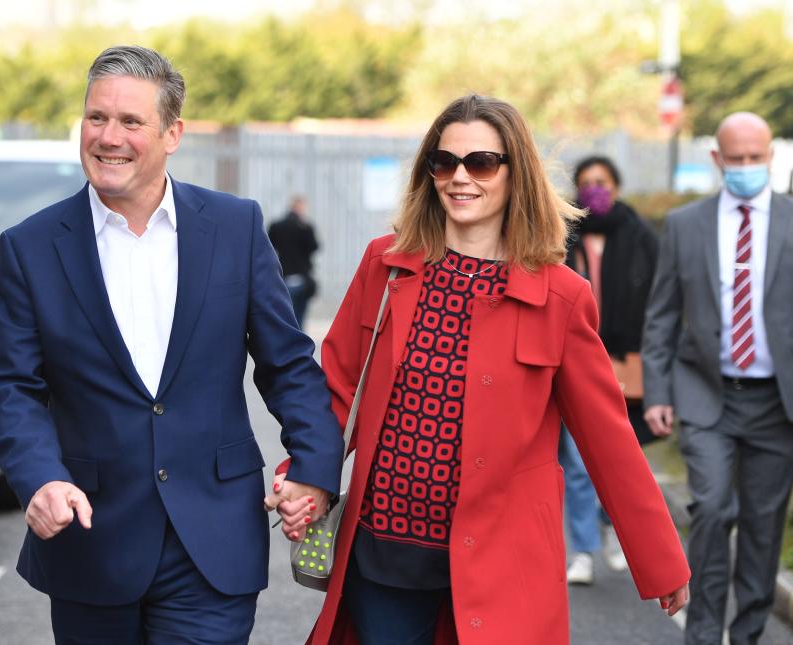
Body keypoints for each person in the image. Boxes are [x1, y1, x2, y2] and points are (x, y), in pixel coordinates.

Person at [266, 94, 689, 645]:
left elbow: (609, 441)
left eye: (481, 163)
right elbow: (337, 390)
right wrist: (304, 477)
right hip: (385, 551)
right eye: (444, 162)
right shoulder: (385, 265)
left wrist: (660, 560)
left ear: (517, 174)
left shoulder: (561, 295)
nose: (459, 177)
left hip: (503, 561)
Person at [0, 45, 343, 645]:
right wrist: (39, 477)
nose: (108, 136)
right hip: (91, 540)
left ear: (173, 133)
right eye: (96, 117)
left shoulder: (236, 226)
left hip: (214, 540)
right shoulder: (30, 246)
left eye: (130, 122)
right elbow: (11, 385)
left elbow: (288, 364)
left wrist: (314, 468)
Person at [643, 112, 793, 645]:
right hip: (705, 396)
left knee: (764, 532)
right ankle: (701, 634)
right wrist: (657, 392)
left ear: (770, 157)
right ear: (716, 160)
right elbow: (663, 314)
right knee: (714, 509)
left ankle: (746, 635)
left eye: (754, 158)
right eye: (734, 159)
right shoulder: (685, 224)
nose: (744, 167)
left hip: (777, 401)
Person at [561, 155, 660, 585]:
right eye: (586, 183)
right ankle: (583, 550)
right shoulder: (561, 235)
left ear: (616, 186)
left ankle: (610, 524)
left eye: (601, 181)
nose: (594, 189)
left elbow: (659, 301)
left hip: (623, 361)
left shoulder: (640, 236)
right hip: (572, 361)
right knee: (579, 465)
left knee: (620, 457)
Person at [269, 195, 320, 328]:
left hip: (283, 277)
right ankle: (300, 346)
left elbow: (269, 247)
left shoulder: (276, 226)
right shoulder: (306, 228)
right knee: (300, 319)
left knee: (285, 318)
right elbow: (314, 247)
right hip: (302, 278)